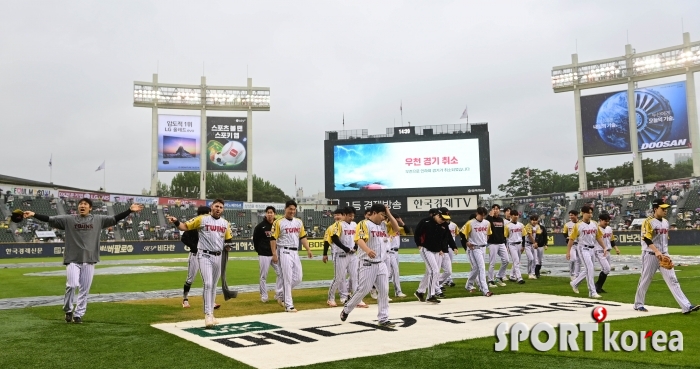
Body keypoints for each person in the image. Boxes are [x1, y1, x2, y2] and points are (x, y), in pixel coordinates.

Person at [22, 198, 144, 323]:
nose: (82, 205)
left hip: (89, 260)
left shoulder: (98, 219)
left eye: (85, 204)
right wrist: (34, 214)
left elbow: (114, 219)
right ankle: (68, 309)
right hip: (72, 259)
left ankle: (78, 314)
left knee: (84, 290)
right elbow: (50, 219)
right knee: (72, 285)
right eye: (80, 204)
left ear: (90, 208)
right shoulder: (69, 219)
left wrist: (129, 210)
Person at [169, 199, 232, 327]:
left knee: (214, 285)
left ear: (223, 209)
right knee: (208, 283)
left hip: (218, 256)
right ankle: (208, 314)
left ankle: (212, 315)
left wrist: (228, 246)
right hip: (204, 254)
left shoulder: (225, 223)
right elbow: (184, 227)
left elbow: (228, 239)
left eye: (221, 207)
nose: (218, 208)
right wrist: (176, 222)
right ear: (211, 207)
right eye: (216, 206)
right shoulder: (202, 219)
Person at [634, 199, 699, 314]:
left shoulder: (665, 222)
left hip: (664, 256)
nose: (665, 210)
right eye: (662, 208)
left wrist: (666, 255)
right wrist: (656, 251)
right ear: (655, 209)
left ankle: (686, 306)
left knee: (673, 280)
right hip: (650, 255)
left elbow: (664, 240)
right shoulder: (648, 221)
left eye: (666, 208)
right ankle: (638, 304)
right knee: (645, 279)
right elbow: (646, 238)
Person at [340, 204, 400, 327]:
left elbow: (397, 228)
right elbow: (359, 240)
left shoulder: (383, 225)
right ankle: (347, 308)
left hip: (381, 263)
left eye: (384, 215)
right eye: (382, 214)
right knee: (363, 290)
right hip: (367, 263)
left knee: (384, 291)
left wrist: (388, 213)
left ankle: (383, 318)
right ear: (373, 213)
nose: (384, 217)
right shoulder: (364, 224)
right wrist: (367, 250)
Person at [270, 200, 314, 313]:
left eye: (294, 209)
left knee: (298, 277)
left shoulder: (298, 222)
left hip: (295, 251)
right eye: (290, 209)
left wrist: (308, 249)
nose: (292, 211)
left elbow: (302, 237)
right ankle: (288, 305)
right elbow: (273, 239)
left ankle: (280, 293)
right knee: (287, 278)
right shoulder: (278, 222)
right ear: (285, 209)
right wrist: (274, 253)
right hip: (284, 251)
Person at [181, 206, 220, 308]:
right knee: (190, 279)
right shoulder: (195, 224)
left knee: (209, 279)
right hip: (195, 255)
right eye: (207, 213)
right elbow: (184, 238)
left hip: (207, 255)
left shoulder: (210, 225)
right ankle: (185, 299)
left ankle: (211, 301)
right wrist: (195, 247)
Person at [413, 208, 455, 303]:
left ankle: (420, 291)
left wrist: (442, 249)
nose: (443, 221)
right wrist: (418, 244)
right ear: (437, 215)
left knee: (430, 272)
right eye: (442, 218)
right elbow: (417, 233)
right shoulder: (426, 221)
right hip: (426, 249)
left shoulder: (444, 224)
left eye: (445, 219)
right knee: (434, 270)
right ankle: (430, 296)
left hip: (437, 250)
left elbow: (445, 237)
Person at [566, 205, 606, 299]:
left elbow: (598, 237)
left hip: (592, 248)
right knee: (590, 268)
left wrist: (604, 247)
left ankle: (574, 283)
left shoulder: (595, 224)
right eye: (588, 212)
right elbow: (571, 239)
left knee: (588, 269)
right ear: (583, 213)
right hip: (583, 248)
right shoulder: (578, 225)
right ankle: (592, 291)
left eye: (591, 212)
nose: (590, 214)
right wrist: (568, 252)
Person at [461, 207, 493, 297]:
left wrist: (484, 241)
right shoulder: (470, 223)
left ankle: (468, 285)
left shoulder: (487, 223)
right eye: (481, 215)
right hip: (474, 248)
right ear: (477, 213)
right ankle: (485, 290)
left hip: (483, 247)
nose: (482, 217)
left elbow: (488, 234)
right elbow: (462, 233)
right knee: (482, 268)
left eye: (484, 215)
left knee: (475, 268)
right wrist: (467, 242)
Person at [253, 206, 281, 303]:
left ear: (274, 214)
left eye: (271, 212)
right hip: (264, 254)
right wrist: (259, 251)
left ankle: (278, 293)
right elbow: (255, 240)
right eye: (268, 212)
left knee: (280, 273)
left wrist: (276, 252)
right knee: (263, 276)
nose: (270, 214)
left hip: (274, 254)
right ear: (266, 214)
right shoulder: (260, 226)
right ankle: (264, 296)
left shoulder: (277, 225)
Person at [324, 208, 352, 307]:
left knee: (351, 276)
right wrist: (324, 253)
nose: (336, 216)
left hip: (350, 254)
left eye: (338, 214)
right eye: (335, 215)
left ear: (343, 215)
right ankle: (338, 297)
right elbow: (327, 241)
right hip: (338, 253)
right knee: (340, 276)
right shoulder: (332, 227)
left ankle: (345, 296)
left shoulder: (351, 225)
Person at [486, 205, 508, 287]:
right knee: (492, 263)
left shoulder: (501, 219)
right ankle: (490, 280)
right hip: (492, 243)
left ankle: (499, 277)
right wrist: (490, 216)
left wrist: (504, 242)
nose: (496, 210)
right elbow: (488, 226)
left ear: (499, 210)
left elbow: (502, 231)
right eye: (494, 209)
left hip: (501, 242)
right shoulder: (489, 219)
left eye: (497, 209)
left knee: (506, 260)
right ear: (491, 210)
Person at [385, 214, 407, 298]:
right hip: (390, 252)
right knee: (395, 272)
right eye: (393, 220)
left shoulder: (397, 229)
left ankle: (378, 288)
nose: (395, 221)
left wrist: (401, 222)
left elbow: (407, 230)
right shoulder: (387, 228)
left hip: (396, 252)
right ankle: (398, 292)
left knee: (390, 274)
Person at [595, 213, 616, 293]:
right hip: (599, 251)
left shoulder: (609, 228)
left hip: (607, 251)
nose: (607, 223)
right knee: (606, 269)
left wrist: (616, 248)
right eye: (605, 221)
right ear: (600, 220)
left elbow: (611, 239)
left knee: (607, 270)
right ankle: (597, 286)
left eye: (608, 221)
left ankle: (598, 287)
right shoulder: (596, 229)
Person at [504, 210, 526, 284]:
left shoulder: (521, 225)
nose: (516, 216)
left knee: (517, 261)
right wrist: (506, 247)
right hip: (512, 245)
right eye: (514, 215)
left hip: (519, 244)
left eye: (517, 215)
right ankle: (519, 278)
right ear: (511, 216)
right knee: (516, 261)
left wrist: (523, 246)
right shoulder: (508, 226)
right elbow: (505, 237)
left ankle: (511, 275)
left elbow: (523, 236)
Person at [439, 211, 459, 288]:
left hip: (449, 248)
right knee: (439, 266)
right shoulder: (439, 225)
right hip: (441, 248)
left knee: (449, 265)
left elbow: (456, 233)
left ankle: (449, 280)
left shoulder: (453, 225)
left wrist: (454, 246)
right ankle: (439, 283)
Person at [563, 210, 581, 281]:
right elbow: (564, 233)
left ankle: (577, 275)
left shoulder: (581, 223)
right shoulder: (567, 224)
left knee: (578, 261)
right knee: (573, 259)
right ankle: (572, 274)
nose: (571, 216)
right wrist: (568, 238)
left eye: (572, 215)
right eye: (570, 215)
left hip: (580, 244)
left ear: (576, 215)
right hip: (572, 244)